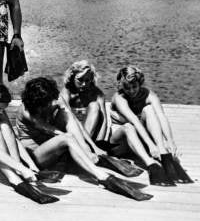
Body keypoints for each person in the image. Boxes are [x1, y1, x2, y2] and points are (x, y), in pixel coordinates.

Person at [17, 77, 153, 200]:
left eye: (52, 99)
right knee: (67, 138)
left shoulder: (54, 100)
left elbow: (73, 121)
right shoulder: (26, 110)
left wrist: (89, 147)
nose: (52, 103)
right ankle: (103, 177)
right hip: (36, 156)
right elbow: (50, 130)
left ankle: (91, 156)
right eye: (47, 102)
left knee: (65, 114)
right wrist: (72, 141)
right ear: (37, 102)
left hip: (57, 150)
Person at [111, 66, 192, 184]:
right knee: (129, 126)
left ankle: (163, 153)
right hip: (120, 142)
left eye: (134, 87)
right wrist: (150, 145)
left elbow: (161, 116)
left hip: (138, 140)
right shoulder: (119, 98)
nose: (132, 91)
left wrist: (170, 141)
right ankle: (150, 163)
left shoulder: (148, 94)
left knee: (149, 109)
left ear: (140, 83)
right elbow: (134, 121)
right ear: (122, 86)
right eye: (127, 88)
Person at [60, 60, 111, 143]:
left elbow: (104, 121)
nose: (84, 84)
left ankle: (88, 145)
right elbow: (65, 117)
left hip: (91, 131)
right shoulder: (67, 92)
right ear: (72, 77)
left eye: (87, 81)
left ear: (91, 79)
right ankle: (84, 146)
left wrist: (100, 143)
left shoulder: (97, 93)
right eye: (80, 80)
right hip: (73, 131)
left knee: (94, 105)